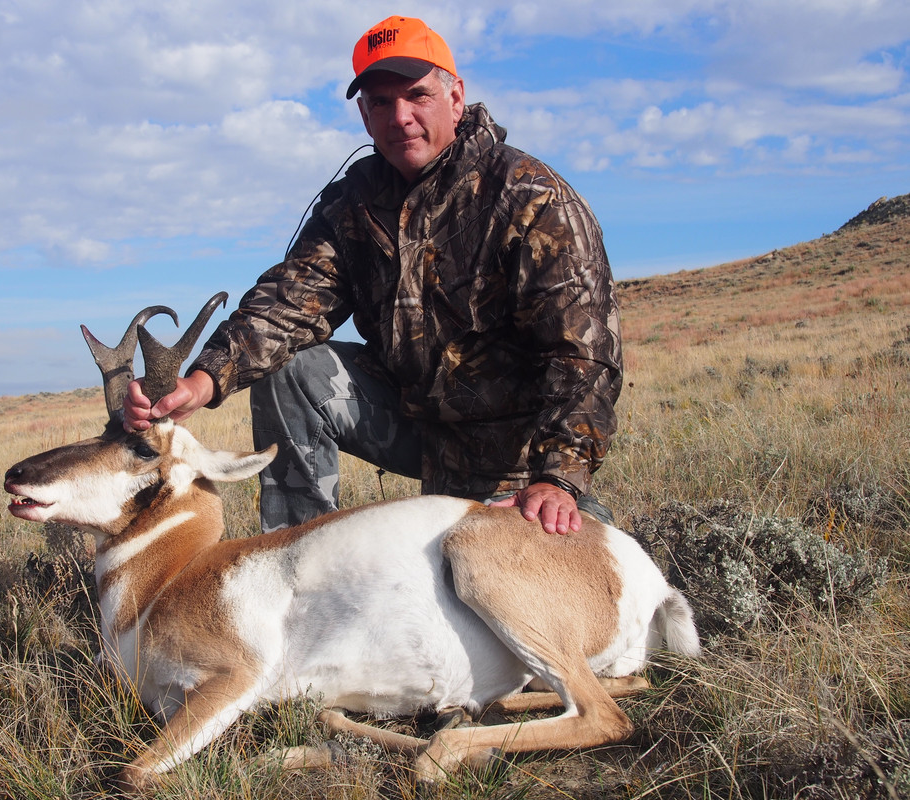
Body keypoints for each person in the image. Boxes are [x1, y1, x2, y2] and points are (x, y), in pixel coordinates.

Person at [125, 15, 622, 536]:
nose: (400, 117)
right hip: (421, 431)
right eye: (382, 103)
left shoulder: (530, 197)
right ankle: (296, 562)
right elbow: (288, 305)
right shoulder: (352, 205)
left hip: (520, 458)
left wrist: (559, 478)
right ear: (365, 116)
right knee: (294, 373)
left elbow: (582, 353)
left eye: (418, 96)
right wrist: (202, 382)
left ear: (456, 97)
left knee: (558, 580)